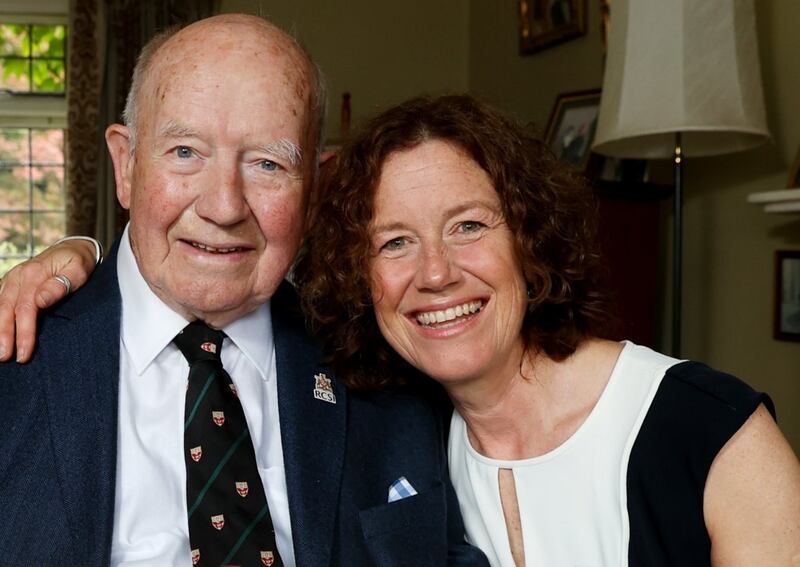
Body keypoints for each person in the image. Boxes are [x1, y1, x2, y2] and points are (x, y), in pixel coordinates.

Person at [5, 96, 800, 564]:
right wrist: (82, 259)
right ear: (361, 276)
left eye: (468, 226)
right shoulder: (395, 411)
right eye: (394, 242)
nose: (435, 273)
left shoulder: (708, 433)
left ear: (531, 237)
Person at [0, 17, 487, 567]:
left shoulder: (386, 364)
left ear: (316, 191)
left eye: (267, 164)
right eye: (185, 152)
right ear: (126, 164)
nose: (224, 206)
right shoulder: (17, 358)